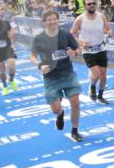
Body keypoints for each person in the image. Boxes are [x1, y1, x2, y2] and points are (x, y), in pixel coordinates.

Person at [30, 10, 85, 142]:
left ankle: (75, 131)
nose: (53, 22)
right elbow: (32, 55)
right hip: (51, 78)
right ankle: (60, 114)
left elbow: (79, 49)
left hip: (68, 74)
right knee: (55, 109)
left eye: (54, 19)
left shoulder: (66, 35)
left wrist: (75, 53)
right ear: (44, 22)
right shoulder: (39, 38)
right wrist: (39, 65)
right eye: (49, 20)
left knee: (76, 103)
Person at [70, 0, 113, 104]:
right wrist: (80, 42)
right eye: (89, 4)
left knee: (103, 76)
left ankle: (100, 96)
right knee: (97, 74)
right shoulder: (80, 19)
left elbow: (108, 28)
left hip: (101, 48)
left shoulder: (101, 16)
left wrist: (109, 33)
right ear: (85, 6)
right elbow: (72, 34)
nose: (91, 6)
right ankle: (92, 86)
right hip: (88, 50)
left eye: (93, 3)